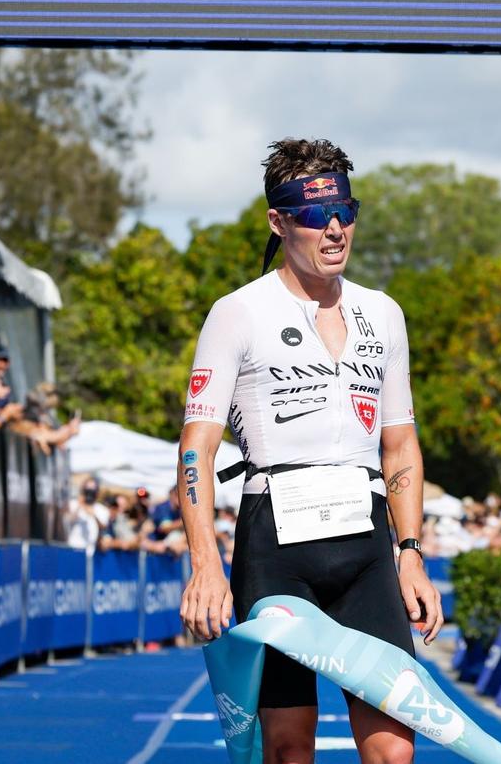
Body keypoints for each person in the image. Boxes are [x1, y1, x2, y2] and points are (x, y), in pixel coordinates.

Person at [177, 138, 442, 764]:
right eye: (312, 212)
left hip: (365, 546)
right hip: (276, 547)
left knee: (393, 751)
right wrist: (205, 563)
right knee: (290, 750)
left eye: (344, 212)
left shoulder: (384, 313)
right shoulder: (237, 312)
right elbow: (197, 446)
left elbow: (399, 443)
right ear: (278, 220)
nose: (332, 229)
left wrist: (410, 553)